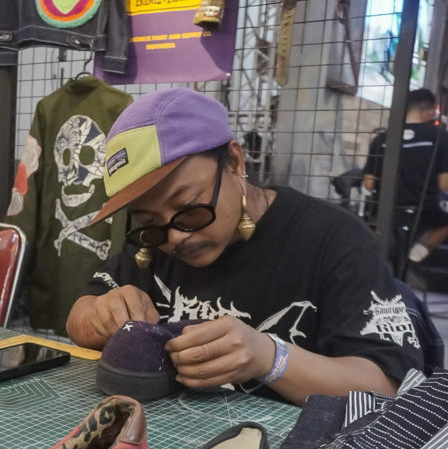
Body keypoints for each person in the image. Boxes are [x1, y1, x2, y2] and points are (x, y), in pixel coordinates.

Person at [66, 88, 424, 406]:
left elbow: (388, 388)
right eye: (149, 221)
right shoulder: (154, 243)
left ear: (235, 163)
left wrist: (271, 359)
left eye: (189, 208)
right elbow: (79, 315)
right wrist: (103, 314)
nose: (174, 238)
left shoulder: (335, 241)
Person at [362, 88, 448, 266]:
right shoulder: (441, 136)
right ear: (430, 111)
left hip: (385, 209)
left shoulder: (382, 138)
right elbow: (444, 184)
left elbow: (369, 183)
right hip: (424, 210)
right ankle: (420, 250)